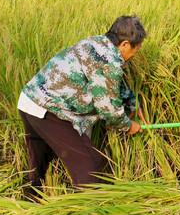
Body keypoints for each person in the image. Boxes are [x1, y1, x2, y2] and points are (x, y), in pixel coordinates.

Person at [17, 15, 147, 191]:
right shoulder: (108, 62)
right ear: (124, 44)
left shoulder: (95, 42)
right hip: (49, 109)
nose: (134, 54)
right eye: (135, 49)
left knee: (39, 161)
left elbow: (106, 84)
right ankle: (85, 212)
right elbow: (107, 109)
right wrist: (127, 125)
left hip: (29, 100)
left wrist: (132, 102)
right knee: (91, 166)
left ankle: (29, 201)